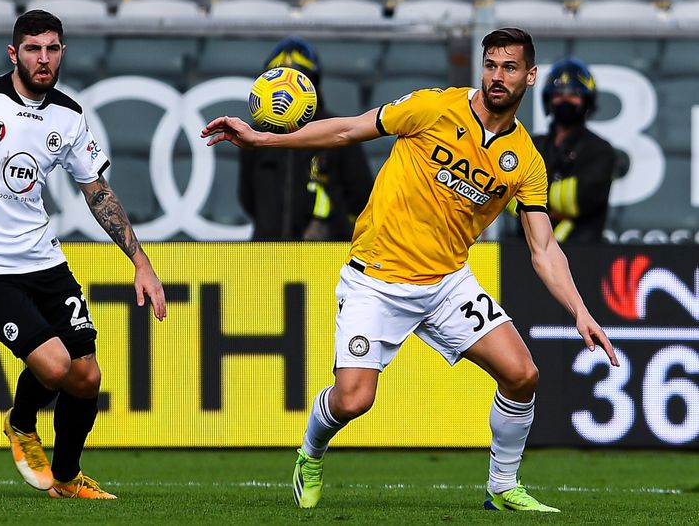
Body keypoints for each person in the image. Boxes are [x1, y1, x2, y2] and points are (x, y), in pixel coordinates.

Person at [202, 27, 619, 512]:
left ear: (530, 76)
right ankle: (310, 451)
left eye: (509, 68)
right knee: (354, 399)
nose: (497, 76)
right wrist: (261, 139)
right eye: (490, 65)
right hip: (376, 279)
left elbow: (544, 249)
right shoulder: (433, 107)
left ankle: (502, 488)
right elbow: (346, 129)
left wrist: (579, 310)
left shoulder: (525, 160)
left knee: (523, 375)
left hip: (446, 284)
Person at [0, 10, 167, 499]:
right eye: (33, 48)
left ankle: (66, 480)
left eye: (52, 48)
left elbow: (98, 192)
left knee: (86, 376)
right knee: (54, 366)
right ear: (14, 53)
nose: (43, 58)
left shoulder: (69, 115)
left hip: (44, 260)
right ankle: (22, 423)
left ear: (63, 52)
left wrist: (141, 263)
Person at [239, 36, 373, 241]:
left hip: (325, 253)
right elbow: (247, 198)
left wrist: (332, 226)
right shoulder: (255, 136)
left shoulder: (338, 130)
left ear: (313, 84)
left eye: (298, 80)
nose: (284, 93)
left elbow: (361, 195)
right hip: (267, 253)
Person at [531, 57, 617, 242]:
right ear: (548, 99)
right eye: (558, 94)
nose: (565, 100)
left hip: (583, 256)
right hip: (527, 253)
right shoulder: (532, 145)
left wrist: (532, 201)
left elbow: (579, 198)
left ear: (587, 100)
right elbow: (506, 194)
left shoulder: (600, 150)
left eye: (573, 94)